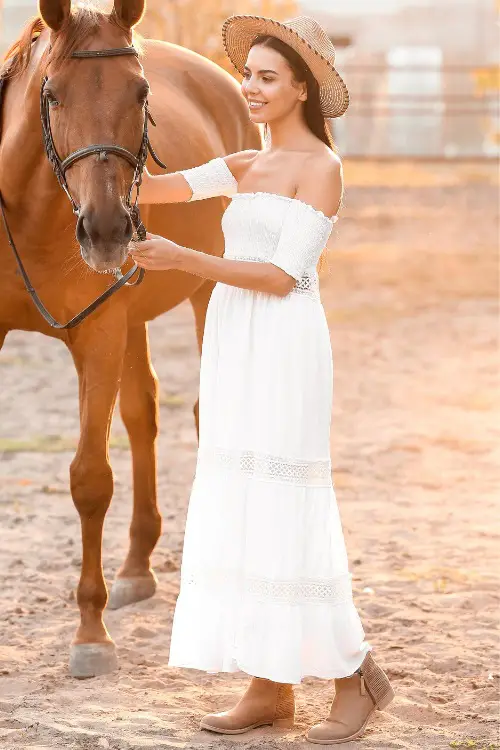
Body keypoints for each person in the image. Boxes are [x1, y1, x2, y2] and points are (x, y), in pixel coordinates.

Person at [130, 14, 394, 745]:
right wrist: (118, 99)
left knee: (287, 504)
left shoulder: (321, 170)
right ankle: (270, 687)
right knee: (244, 498)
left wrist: (188, 262)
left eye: (267, 77)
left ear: (302, 90)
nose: (250, 87)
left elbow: (284, 277)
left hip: (283, 343)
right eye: (248, 75)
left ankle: (356, 675)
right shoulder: (243, 164)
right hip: (234, 344)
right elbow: (151, 188)